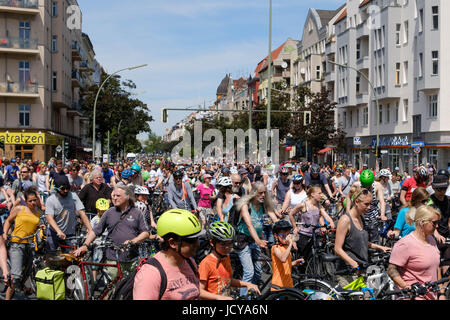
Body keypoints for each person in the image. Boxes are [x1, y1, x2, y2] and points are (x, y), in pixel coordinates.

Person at [74, 185, 149, 279]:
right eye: (113, 196)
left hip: (131, 259)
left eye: (118, 196)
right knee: (112, 289)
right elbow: (95, 231)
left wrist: (133, 241)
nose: (114, 198)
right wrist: (85, 245)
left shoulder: (137, 213)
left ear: (127, 197)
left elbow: (146, 233)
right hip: (113, 259)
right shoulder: (109, 213)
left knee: (130, 289)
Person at [133, 209, 203, 300]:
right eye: (192, 240)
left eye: (197, 238)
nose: (197, 244)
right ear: (173, 243)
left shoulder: (190, 262)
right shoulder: (150, 274)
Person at [334, 185, 391, 287]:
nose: (369, 207)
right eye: (366, 204)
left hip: (361, 268)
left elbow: (362, 242)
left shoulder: (362, 218)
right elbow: (337, 249)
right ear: (356, 202)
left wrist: (380, 247)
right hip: (348, 272)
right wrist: (352, 263)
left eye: (371, 204)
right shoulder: (345, 220)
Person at [234, 181, 279, 296]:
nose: (263, 195)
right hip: (243, 241)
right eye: (260, 193)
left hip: (256, 240)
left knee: (258, 272)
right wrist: (258, 241)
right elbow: (249, 225)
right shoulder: (246, 205)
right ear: (254, 193)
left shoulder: (264, 205)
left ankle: (252, 293)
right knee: (249, 272)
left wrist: (286, 232)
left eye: (264, 193)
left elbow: (275, 220)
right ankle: (244, 299)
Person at [387, 206, 441, 300]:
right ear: (422, 223)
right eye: (434, 223)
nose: (437, 226)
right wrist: (406, 287)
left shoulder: (431, 239)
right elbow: (391, 269)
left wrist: (441, 294)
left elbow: (436, 268)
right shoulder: (405, 244)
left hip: (432, 296)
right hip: (414, 296)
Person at [199, 221, 260, 300]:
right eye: (223, 244)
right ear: (212, 243)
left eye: (230, 243)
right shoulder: (206, 263)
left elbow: (227, 281)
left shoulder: (226, 257)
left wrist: (247, 284)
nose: (227, 247)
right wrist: (219, 298)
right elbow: (199, 292)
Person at [3, 189, 43, 299]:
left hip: (30, 245)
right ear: (25, 200)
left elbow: (35, 225)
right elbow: (8, 221)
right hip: (17, 244)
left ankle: (23, 287)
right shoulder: (19, 209)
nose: (33, 203)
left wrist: (39, 227)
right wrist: (5, 233)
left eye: (35, 200)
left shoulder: (38, 213)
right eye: (30, 201)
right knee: (15, 277)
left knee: (28, 272)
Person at [45, 175, 92, 253]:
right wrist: (58, 231)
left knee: (70, 259)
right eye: (63, 189)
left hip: (70, 235)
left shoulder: (73, 196)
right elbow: (49, 218)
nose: (66, 190)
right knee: (52, 259)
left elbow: (82, 213)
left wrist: (90, 229)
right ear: (56, 188)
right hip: (54, 234)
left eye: (68, 188)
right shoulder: (51, 200)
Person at [289, 186, 335, 259]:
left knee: (315, 256)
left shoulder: (319, 205)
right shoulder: (303, 205)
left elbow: (323, 215)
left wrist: (330, 222)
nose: (322, 195)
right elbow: (291, 214)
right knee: (303, 258)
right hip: (304, 235)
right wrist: (295, 227)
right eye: (319, 193)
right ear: (312, 194)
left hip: (315, 235)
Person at [348, 169, 387, 243]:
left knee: (374, 240)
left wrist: (382, 214)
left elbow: (382, 202)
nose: (366, 187)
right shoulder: (356, 185)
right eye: (364, 185)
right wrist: (348, 211)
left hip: (372, 216)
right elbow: (348, 197)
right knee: (359, 240)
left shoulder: (377, 186)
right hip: (360, 216)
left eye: (368, 186)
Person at [270, 220, 304, 291]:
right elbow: (283, 259)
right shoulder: (275, 248)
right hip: (278, 285)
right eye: (283, 235)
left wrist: (295, 262)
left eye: (287, 235)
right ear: (276, 236)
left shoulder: (286, 247)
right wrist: (291, 243)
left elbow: (286, 264)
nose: (286, 238)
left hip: (288, 284)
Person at [89, 198, 110, 282]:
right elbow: (90, 231)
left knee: (107, 262)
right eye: (102, 211)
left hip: (107, 242)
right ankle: (94, 281)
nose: (104, 212)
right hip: (98, 243)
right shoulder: (95, 220)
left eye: (105, 210)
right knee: (96, 263)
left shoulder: (109, 218)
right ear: (98, 210)